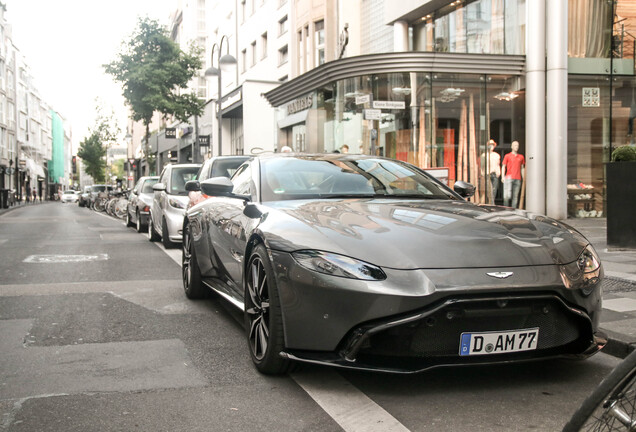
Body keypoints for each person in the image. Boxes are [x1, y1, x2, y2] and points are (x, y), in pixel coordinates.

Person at [502, 140, 525, 208]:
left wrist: (523, 178)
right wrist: (502, 177)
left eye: (517, 145)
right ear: (512, 146)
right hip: (509, 177)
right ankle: (505, 209)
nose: (516, 147)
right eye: (515, 145)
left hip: (518, 178)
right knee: (507, 196)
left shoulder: (521, 157)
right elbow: (503, 166)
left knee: (515, 196)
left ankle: (513, 210)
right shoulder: (507, 156)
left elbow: (522, 168)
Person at [480, 139, 501, 204]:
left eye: (492, 145)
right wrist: (482, 173)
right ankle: (492, 205)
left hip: (494, 174)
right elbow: (482, 165)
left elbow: (497, 165)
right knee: (490, 192)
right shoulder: (484, 155)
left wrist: (498, 172)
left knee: (494, 191)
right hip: (487, 174)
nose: (491, 146)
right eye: (490, 145)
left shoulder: (496, 155)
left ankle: (491, 204)